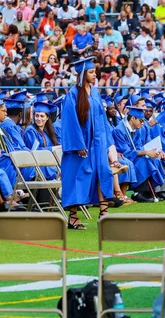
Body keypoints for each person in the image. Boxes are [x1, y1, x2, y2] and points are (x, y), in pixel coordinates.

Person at [61, 57, 115, 229]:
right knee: (77, 178)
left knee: (102, 173)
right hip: (81, 146)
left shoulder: (96, 92)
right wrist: (78, 145)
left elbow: (102, 120)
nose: (94, 75)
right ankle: (73, 217)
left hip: (98, 144)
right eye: (91, 72)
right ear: (83, 74)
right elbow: (70, 122)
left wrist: (108, 143)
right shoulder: (72, 95)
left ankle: (104, 213)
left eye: (94, 72)